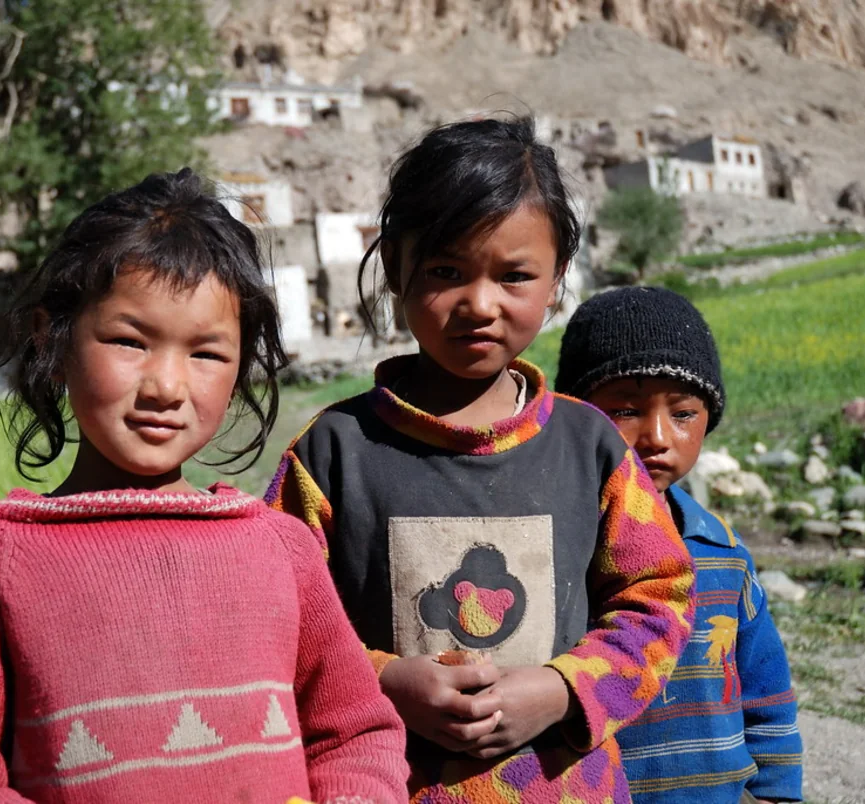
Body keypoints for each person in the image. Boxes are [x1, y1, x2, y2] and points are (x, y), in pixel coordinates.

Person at [0, 169, 408, 804]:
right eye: (130, 341)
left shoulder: (281, 549)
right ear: (54, 335)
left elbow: (356, 735)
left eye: (207, 353)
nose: (166, 386)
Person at [266, 117, 695, 802]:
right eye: (445, 271)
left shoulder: (590, 447)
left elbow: (660, 598)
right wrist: (382, 679)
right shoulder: (333, 452)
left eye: (515, 275)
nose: (479, 304)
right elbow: (269, 619)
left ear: (557, 280)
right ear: (395, 270)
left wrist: (561, 689)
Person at [556, 287, 803, 804]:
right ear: (577, 420)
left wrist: (777, 790)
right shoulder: (562, 553)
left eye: (684, 414)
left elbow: (766, 689)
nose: (657, 436)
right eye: (624, 410)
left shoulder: (722, 552)